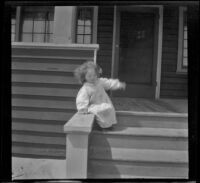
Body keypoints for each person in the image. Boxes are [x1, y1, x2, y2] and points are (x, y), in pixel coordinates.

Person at [74, 61, 126, 129]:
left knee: (109, 109)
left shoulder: (99, 82)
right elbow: (81, 99)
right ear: (84, 77)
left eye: (94, 75)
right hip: (94, 105)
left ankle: (109, 125)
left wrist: (118, 84)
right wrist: (82, 108)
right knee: (100, 111)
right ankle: (101, 126)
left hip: (104, 102)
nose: (93, 77)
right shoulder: (85, 88)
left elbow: (109, 83)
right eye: (89, 76)